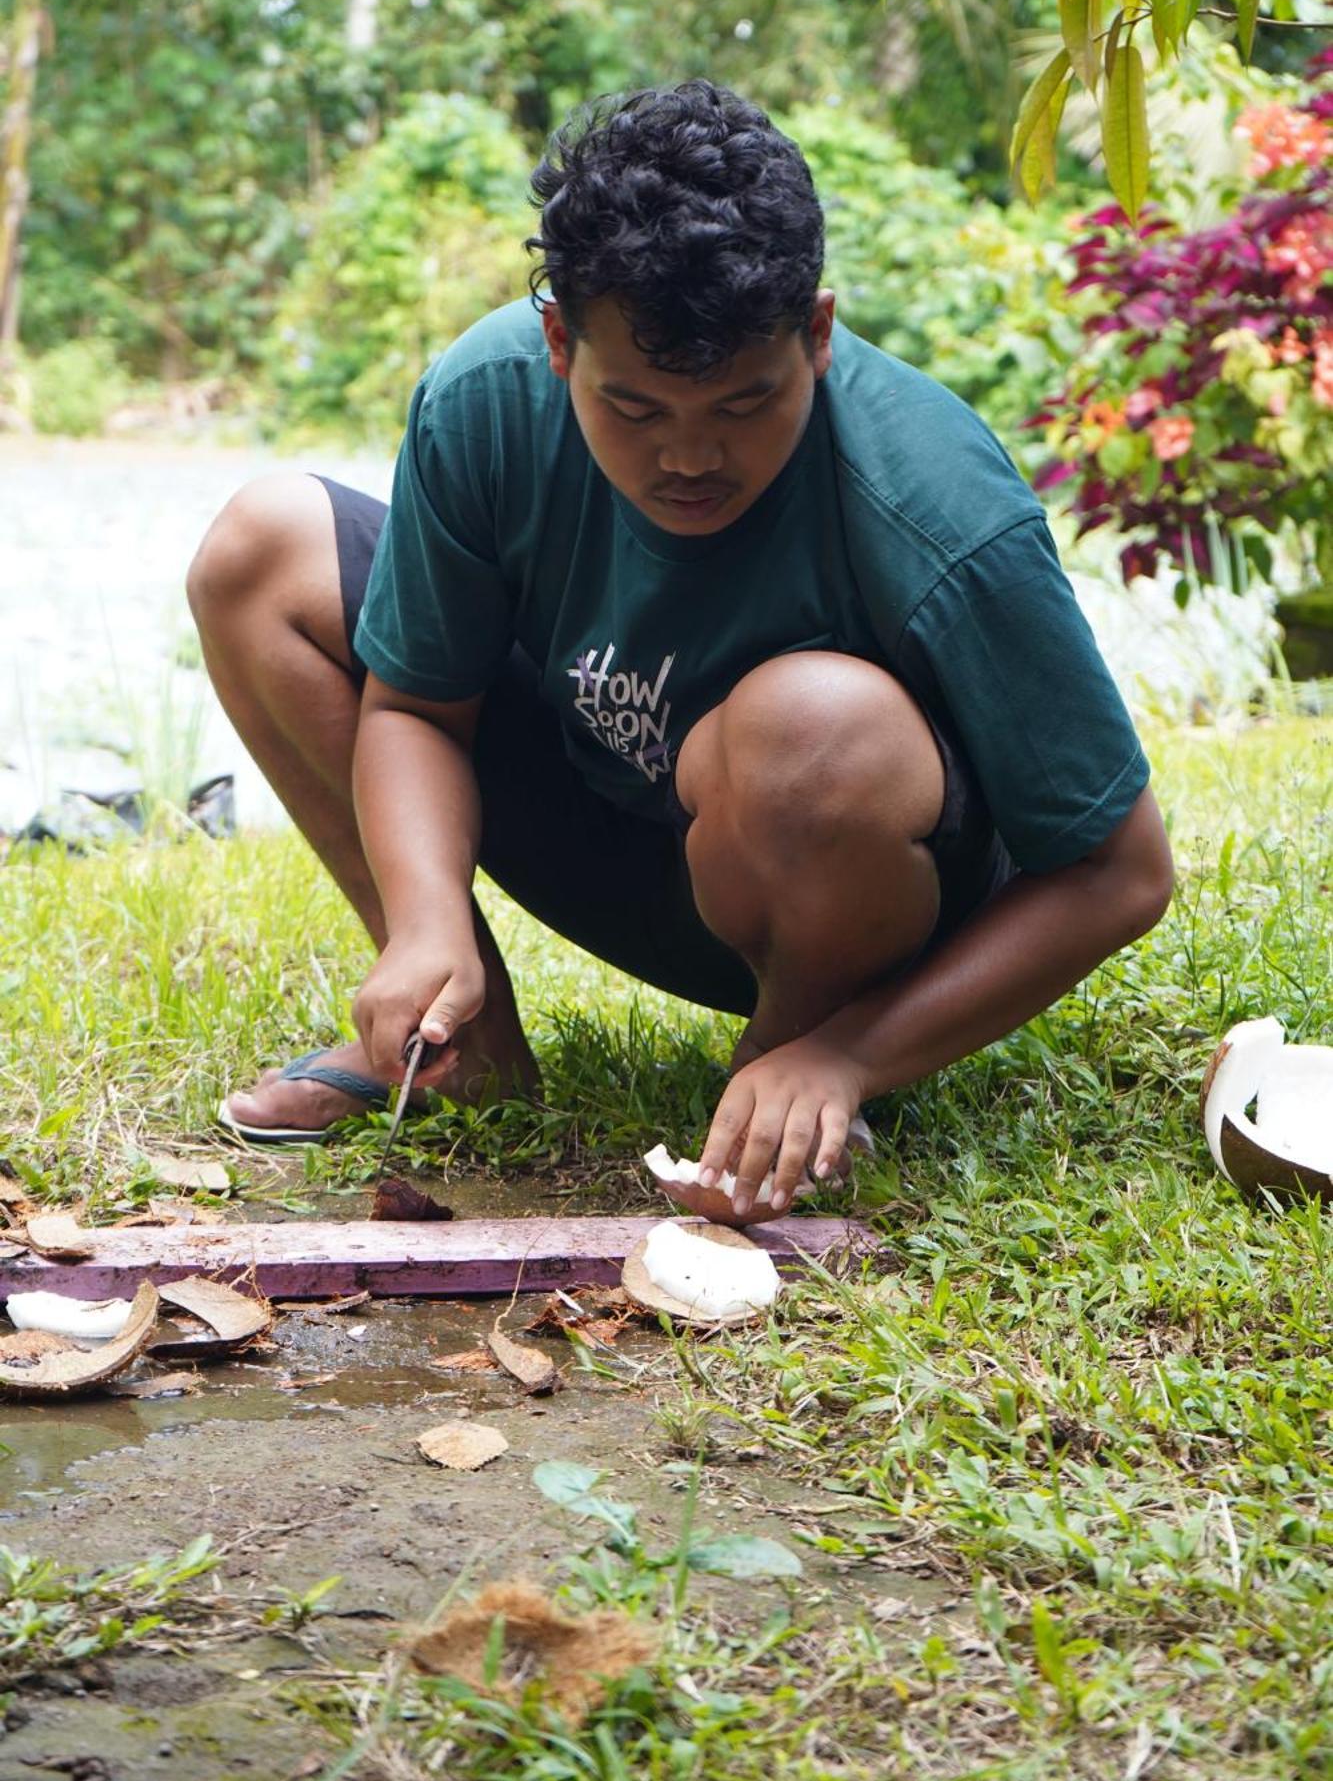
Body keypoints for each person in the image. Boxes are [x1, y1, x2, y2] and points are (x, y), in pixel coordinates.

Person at [188, 79, 1173, 1222]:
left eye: (746, 404)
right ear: (560, 340)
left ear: (816, 333)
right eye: (639, 410)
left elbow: (1121, 870)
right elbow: (414, 706)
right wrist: (424, 917)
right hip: (620, 833)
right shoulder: (484, 398)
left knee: (814, 728)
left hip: (833, 879)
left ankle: (791, 1063)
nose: (691, 458)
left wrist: (852, 1052)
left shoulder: (936, 500)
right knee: (263, 549)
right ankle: (458, 1038)